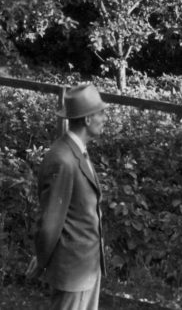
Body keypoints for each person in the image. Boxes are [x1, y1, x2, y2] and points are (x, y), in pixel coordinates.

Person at [32, 83, 109, 310]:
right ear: (86, 119)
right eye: (101, 113)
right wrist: (41, 260)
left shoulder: (78, 152)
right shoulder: (63, 160)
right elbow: (50, 222)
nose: (105, 118)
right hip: (73, 272)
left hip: (86, 268)